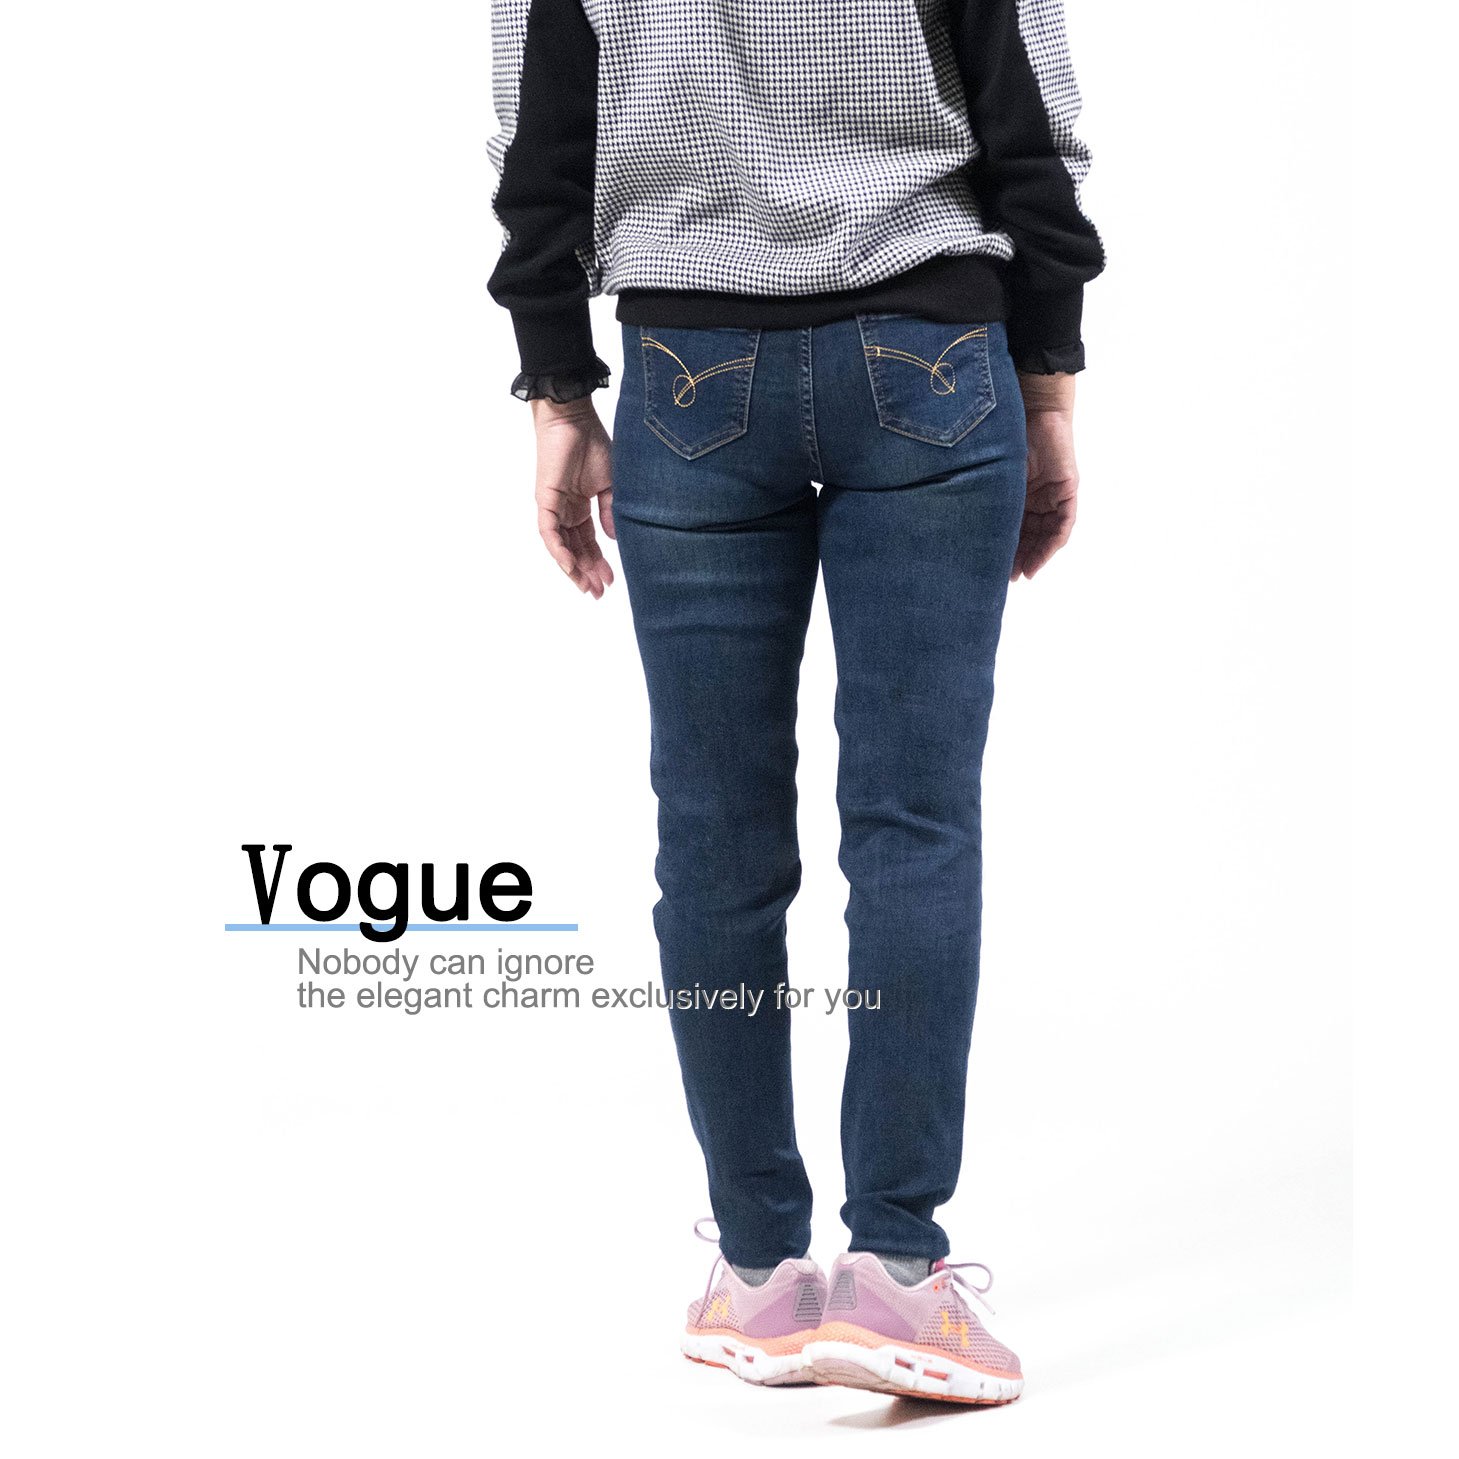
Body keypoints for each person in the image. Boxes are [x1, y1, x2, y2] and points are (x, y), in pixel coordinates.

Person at [488, 0, 1103, 1405]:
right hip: (931, 354)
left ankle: (761, 1274)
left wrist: (558, 391)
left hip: (688, 371)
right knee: (915, 825)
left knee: (713, 839)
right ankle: (898, 1272)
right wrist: (1051, 384)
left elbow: (540, 143)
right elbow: (1035, 125)